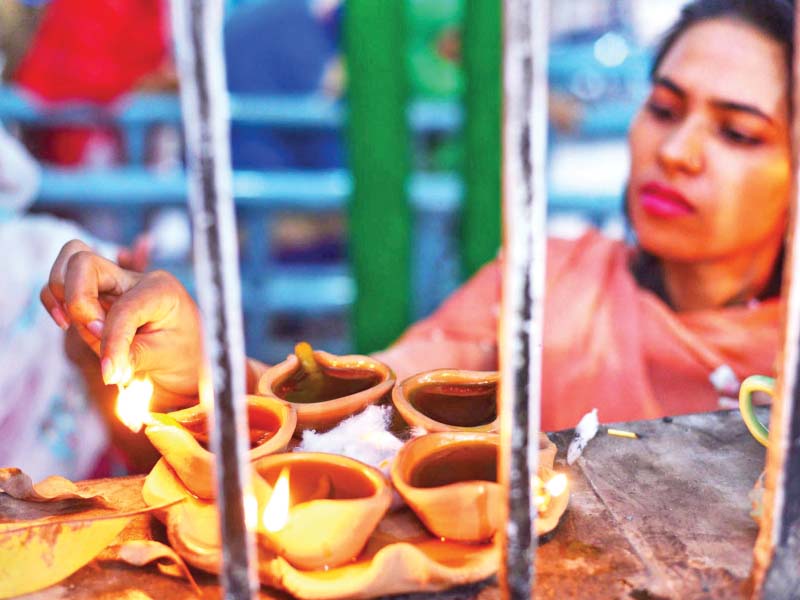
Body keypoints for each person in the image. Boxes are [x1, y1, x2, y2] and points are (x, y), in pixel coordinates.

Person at [40, 0, 793, 434]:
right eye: (662, 109)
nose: (679, 151)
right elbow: (359, 409)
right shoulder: (550, 284)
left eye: (738, 132)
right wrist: (198, 369)